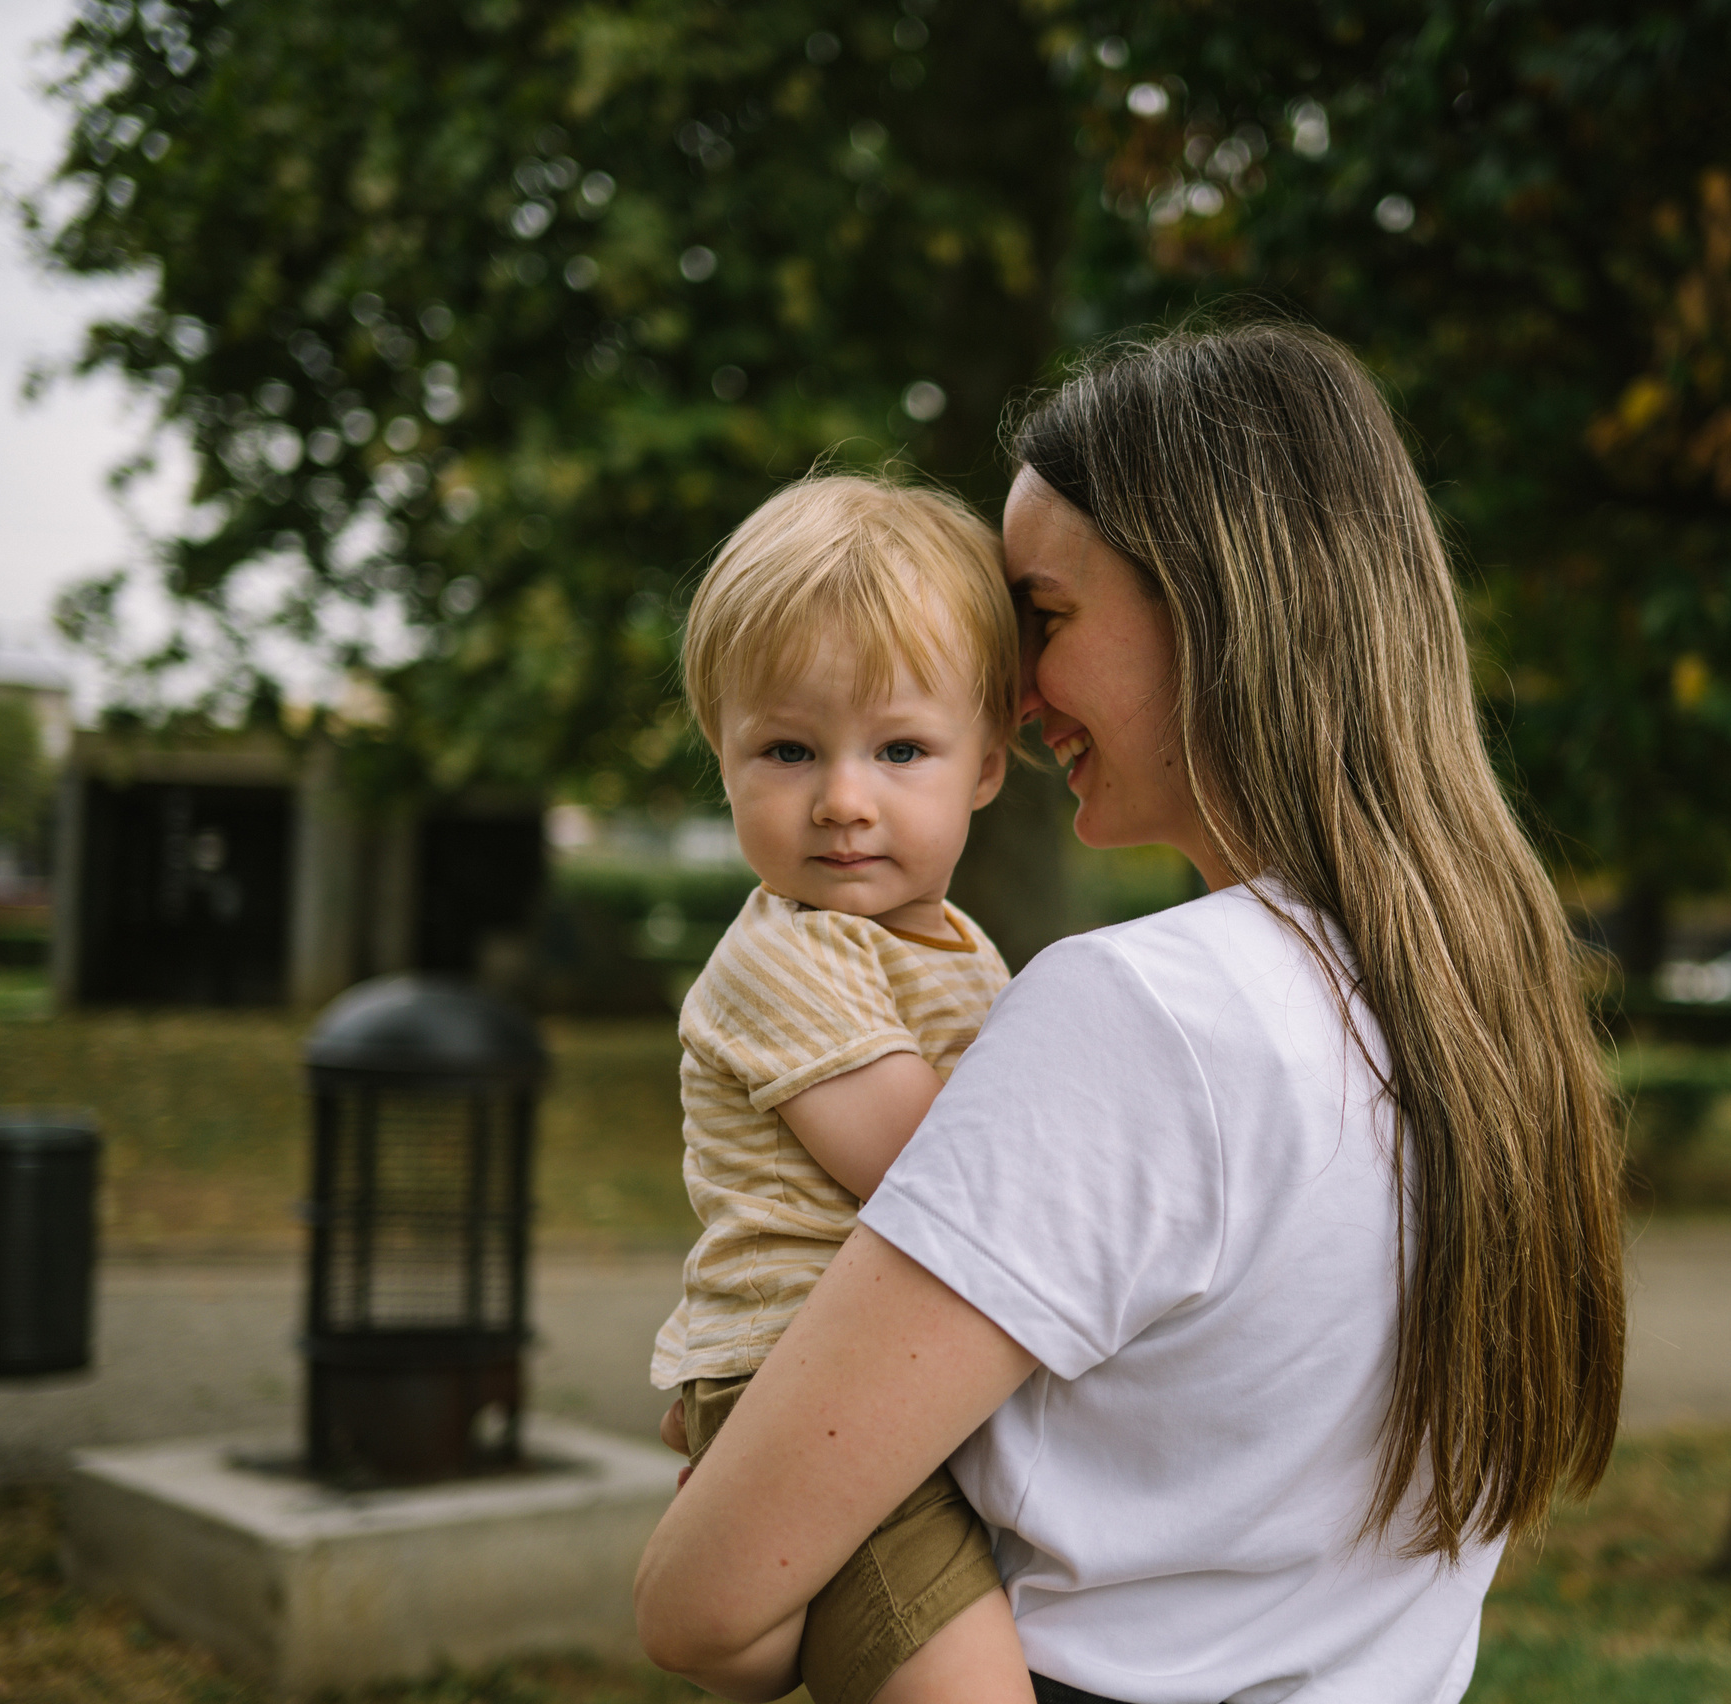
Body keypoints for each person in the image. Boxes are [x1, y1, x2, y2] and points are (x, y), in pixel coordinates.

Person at [636, 322, 1629, 1704]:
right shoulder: (1474, 1006)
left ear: (1211, 600)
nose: (1018, 692)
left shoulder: (1145, 1013)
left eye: (1041, 618)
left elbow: (701, 1602)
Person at [649, 473, 1036, 1704]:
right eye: (788, 749)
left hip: (904, 1377)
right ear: (723, 756)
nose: (843, 801)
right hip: (798, 1392)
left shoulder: (957, 942)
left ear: (989, 762)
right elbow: (931, 1171)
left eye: (901, 749)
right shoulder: (786, 954)